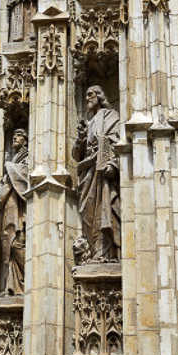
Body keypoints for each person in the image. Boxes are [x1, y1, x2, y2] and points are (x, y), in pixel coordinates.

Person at [73, 85, 121, 263]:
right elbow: (77, 154)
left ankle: (105, 253)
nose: (87, 99)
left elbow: (117, 141)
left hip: (102, 170)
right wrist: (81, 139)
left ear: (100, 96)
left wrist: (111, 163)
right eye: (85, 95)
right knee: (87, 212)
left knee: (104, 208)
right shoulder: (89, 122)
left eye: (90, 94)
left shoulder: (111, 116)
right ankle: (94, 251)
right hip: (88, 171)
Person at [0, 128, 29, 296]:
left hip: (20, 207)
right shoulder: (14, 159)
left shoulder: (28, 157)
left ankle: (27, 280)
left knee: (16, 243)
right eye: (14, 134)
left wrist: (10, 168)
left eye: (19, 135)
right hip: (9, 207)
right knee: (8, 245)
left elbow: (26, 176)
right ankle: (11, 286)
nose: (14, 136)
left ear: (26, 140)